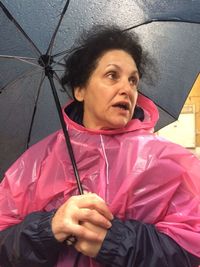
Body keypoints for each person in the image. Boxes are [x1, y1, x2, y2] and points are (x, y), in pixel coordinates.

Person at [0, 25, 200, 267]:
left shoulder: (169, 162)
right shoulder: (36, 163)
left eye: (133, 80)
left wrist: (115, 242)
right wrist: (48, 228)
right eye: (112, 75)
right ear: (80, 90)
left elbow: (190, 250)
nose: (126, 89)